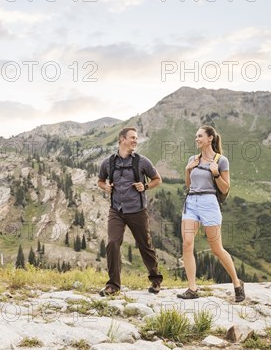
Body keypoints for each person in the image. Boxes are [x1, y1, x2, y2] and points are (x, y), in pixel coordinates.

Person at [178, 125, 245, 302]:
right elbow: (188, 184)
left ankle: (237, 283)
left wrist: (215, 174)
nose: (197, 139)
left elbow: (225, 187)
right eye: (196, 136)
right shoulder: (193, 158)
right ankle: (192, 288)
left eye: (200, 136)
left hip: (209, 203)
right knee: (187, 243)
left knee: (216, 249)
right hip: (191, 202)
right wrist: (187, 169)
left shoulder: (221, 160)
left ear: (209, 138)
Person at [97, 127, 163, 296]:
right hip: (116, 210)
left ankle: (155, 280)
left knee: (145, 245)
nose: (135, 140)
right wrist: (106, 187)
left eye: (136, 138)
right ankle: (113, 285)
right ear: (122, 139)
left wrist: (145, 186)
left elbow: (157, 180)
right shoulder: (108, 162)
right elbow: (100, 181)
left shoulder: (142, 162)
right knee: (112, 243)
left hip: (137, 210)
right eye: (132, 138)